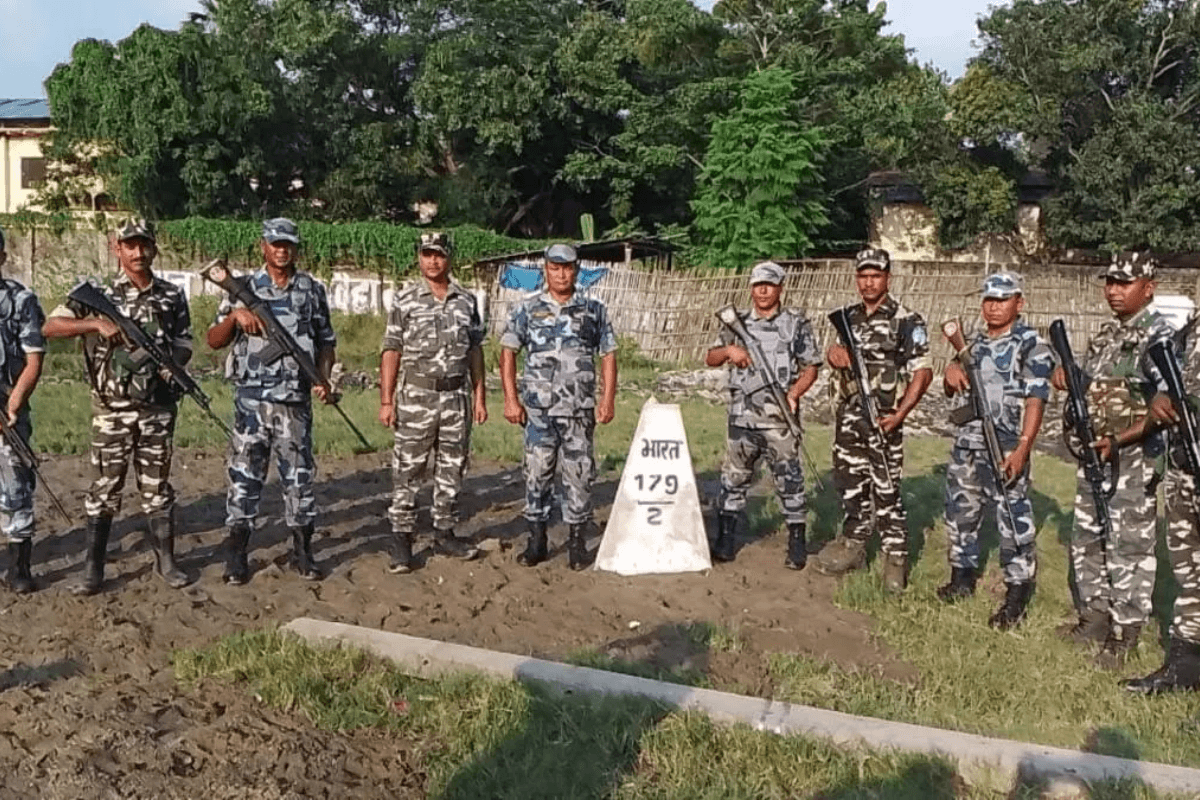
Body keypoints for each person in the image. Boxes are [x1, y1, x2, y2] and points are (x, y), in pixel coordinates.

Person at [44, 218, 192, 594]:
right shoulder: (98, 293)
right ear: (117, 248)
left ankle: (167, 562)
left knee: (157, 487)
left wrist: (169, 363)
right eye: (130, 245)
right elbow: (51, 326)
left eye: (144, 245)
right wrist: (95, 324)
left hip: (157, 407)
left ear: (154, 248)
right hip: (111, 409)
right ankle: (94, 569)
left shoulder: (172, 295)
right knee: (105, 489)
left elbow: (186, 343)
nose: (138, 252)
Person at [1051, 252, 1172, 669]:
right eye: (1110, 282)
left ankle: (1125, 632)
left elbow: (1165, 405)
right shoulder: (1104, 337)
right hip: (1095, 454)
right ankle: (1095, 617)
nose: (1114, 291)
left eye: (1125, 283)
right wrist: (1068, 378)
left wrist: (1121, 440)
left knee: (1129, 545)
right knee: (1088, 537)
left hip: (1134, 458)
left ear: (1148, 287)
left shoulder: (1161, 337)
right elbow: (1092, 392)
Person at [206, 218, 338, 585]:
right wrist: (235, 316)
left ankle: (302, 550)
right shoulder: (242, 287)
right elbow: (214, 340)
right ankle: (236, 551)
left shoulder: (310, 290)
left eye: (288, 244)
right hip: (251, 403)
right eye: (275, 243)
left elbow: (326, 340)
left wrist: (323, 378)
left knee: (299, 479)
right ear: (263, 245)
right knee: (244, 478)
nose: (282, 249)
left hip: (294, 402)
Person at [813, 247, 932, 592]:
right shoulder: (848, 318)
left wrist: (900, 414)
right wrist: (833, 355)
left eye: (875, 276)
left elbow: (922, 372)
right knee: (849, 482)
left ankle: (895, 555)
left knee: (886, 488)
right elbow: (837, 355)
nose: (868, 282)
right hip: (848, 417)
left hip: (883, 419)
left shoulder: (907, 320)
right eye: (863, 276)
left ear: (887, 278)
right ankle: (853, 543)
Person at [938, 272, 1052, 628]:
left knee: (1012, 518)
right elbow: (952, 387)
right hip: (967, 443)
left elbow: (1036, 400)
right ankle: (962, 577)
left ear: (1019, 302)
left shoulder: (1032, 345)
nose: (994, 306)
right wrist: (950, 372)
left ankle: (1016, 592)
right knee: (961, 511)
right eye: (989, 300)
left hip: (1004, 445)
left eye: (1002, 300)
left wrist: (1022, 448)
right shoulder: (971, 342)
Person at [500, 243, 617, 570]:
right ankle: (537, 540)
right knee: (536, 474)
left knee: (579, 475)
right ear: (546, 270)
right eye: (555, 267)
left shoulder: (593, 309)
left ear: (576, 270)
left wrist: (607, 399)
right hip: (538, 411)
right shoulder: (527, 309)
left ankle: (577, 543)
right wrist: (510, 398)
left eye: (567, 268)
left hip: (579, 410)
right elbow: (508, 351)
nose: (561, 273)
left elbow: (608, 354)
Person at [378, 232, 487, 573]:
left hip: (456, 396)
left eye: (438, 255)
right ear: (419, 257)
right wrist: (386, 400)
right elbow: (391, 350)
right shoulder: (405, 299)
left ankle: (444, 530)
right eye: (426, 254)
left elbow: (475, 350)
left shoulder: (466, 300)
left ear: (449, 258)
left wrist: (479, 395)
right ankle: (402, 538)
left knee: (452, 467)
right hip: (417, 396)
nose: (432, 261)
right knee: (408, 468)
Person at [705, 260, 821, 568]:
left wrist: (794, 394)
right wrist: (730, 351)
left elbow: (811, 366)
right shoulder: (735, 322)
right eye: (758, 285)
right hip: (742, 416)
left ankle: (796, 542)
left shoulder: (795, 323)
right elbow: (711, 357)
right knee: (734, 478)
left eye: (769, 285)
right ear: (751, 288)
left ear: (780, 287)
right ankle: (726, 538)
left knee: (789, 479)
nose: (763, 291)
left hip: (779, 419)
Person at [1124, 337, 1200, 693]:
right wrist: (1161, 397)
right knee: (1190, 571)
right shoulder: (1189, 334)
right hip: (1185, 469)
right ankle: (1183, 668)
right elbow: (1168, 383)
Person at [0, 225, 47, 593]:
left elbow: (34, 359)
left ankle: (19, 566)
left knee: (16, 481)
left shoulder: (21, 300)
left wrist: (14, 403)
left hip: (8, 406)